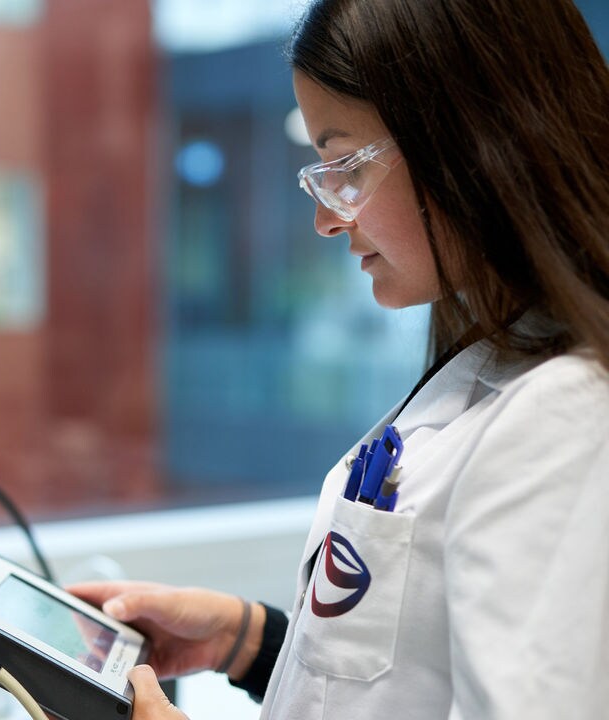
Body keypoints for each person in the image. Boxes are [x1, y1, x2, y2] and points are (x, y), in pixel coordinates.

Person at [69, 0, 609, 718]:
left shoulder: (569, 418)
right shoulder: (492, 367)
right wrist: (252, 643)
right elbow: (415, 676)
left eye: (345, 166)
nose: (327, 217)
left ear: (476, 141)